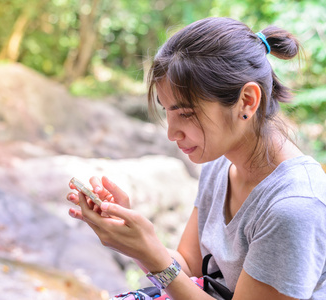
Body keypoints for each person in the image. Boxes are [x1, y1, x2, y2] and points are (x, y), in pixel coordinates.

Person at [66, 17, 326, 300]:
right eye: (167, 111)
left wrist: (151, 255)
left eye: (186, 114)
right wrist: (133, 241)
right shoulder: (220, 164)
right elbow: (188, 266)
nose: (171, 133)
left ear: (247, 101)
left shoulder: (295, 208)